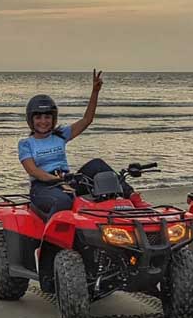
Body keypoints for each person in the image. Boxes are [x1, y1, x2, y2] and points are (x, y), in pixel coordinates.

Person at [18, 70, 127, 216]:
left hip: (67, 180)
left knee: (98, 165)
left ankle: (132, 198)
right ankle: (52, 238)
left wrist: (95, 92)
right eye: (38, 117)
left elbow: (87, 120)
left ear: (53, 119)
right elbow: (34, 171)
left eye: (47, 117)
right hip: (43, 187)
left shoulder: (60, 135)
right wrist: (58, 180)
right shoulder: (26, 144)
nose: (43, 121)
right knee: (64, 201)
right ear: (31, 120)